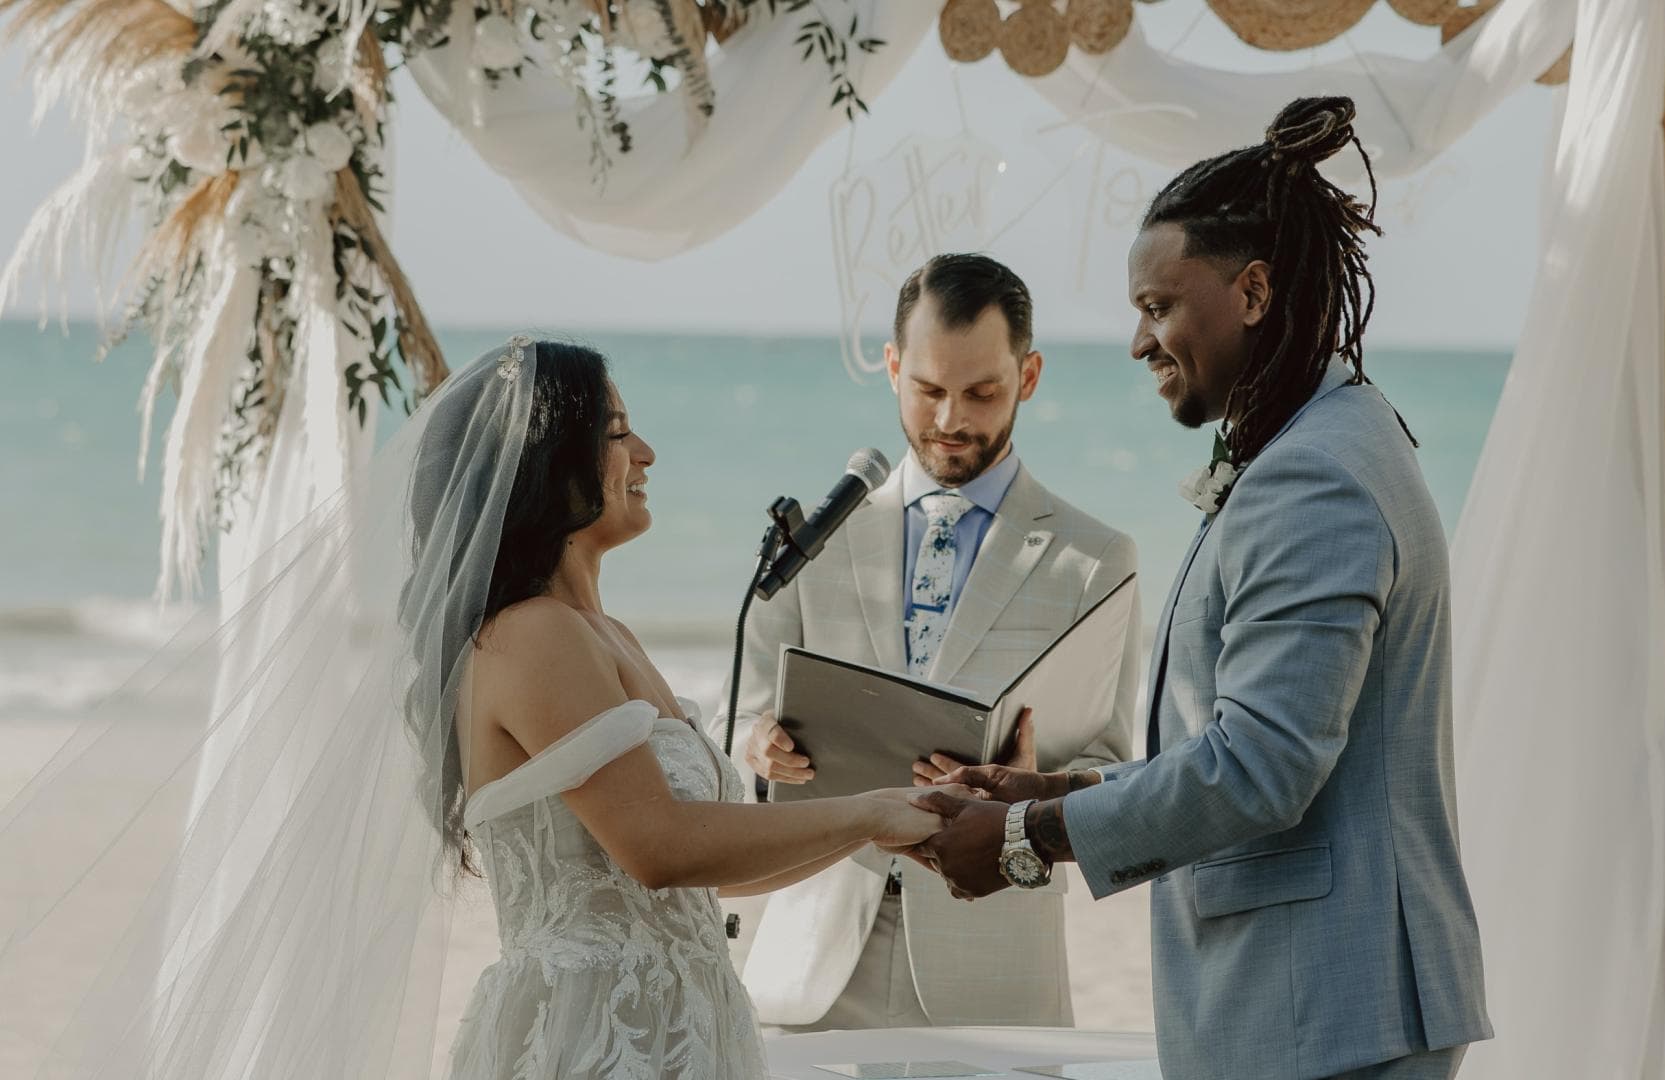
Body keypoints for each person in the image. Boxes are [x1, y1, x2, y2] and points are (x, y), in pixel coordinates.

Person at [0, 337, 954, 1080]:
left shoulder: (609, 636)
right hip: (595, 1038)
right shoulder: (533, 638)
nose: (646, 452)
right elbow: (659, 848)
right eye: (617, 432)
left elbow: (704, 874)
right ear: (548, 462)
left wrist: (882, 825)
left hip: (685, 1027)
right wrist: (870, 813)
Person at [911, 98, 1494, 1080]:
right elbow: (1250, 737)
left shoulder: (1313, 477)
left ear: (1253, 292)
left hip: (1328, 1009)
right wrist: (1056, 788)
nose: (1139, 343)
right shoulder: (1328, 438)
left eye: (1158, 307)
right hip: (1326, 1002)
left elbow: (1263, 765)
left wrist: (1024, 838)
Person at [718, 254, 1140, 1031]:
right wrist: (757, 747)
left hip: (991, 965)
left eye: (981, 392)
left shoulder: (1095, 559)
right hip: (811, 962)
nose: (950, 419)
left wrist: (1033, 788)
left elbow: (1112, 768)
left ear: (1029, 375)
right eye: (928, 389)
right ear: (891, 368)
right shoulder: (815, 542)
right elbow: (733, 720)